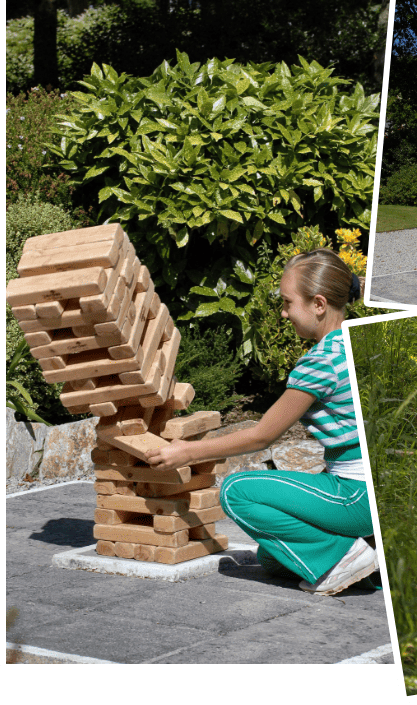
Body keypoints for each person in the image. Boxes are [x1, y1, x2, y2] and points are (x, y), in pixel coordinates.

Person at [146, 249, 376, 595]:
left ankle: (343, 559)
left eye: (287, 303)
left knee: (237, 491)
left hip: (358, 495)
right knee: (272, 558)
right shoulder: (359, 341)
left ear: (318, 304)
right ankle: (368, 556)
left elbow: (261, 436)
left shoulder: (321, 363)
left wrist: (186, 452)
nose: (283, 313)